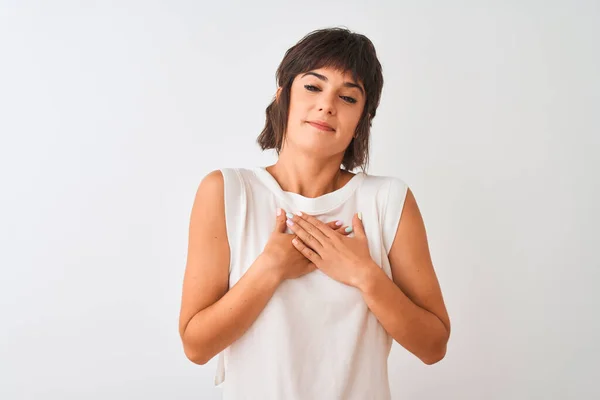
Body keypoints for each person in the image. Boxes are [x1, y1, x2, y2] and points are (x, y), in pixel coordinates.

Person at [178, 27, 450, 400]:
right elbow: (196, 347)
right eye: (312, 87)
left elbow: (434, 346)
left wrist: (364, 275)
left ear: (361, 120)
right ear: (282, 96)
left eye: (348, 97)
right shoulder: (227, 192)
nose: (327, 105)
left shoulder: (388, 200)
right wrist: (270, 267)